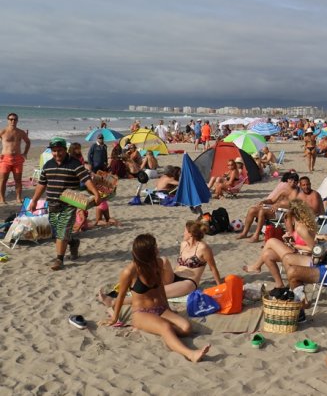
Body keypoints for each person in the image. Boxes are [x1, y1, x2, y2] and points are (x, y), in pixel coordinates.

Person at [102, 234, 210, 362]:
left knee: (186, 328)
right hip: (141, 313)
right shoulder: (130, 272)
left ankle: (167, 337)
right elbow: (120, 297)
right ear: (146, 253)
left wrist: (168, 308)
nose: (158, 250)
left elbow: (160, 289)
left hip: (161, 309)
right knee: (165, 326)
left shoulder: (157, 263)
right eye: (154, 248)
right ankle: (190, 354)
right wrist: (114, 318)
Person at [101, 221, 221, 306]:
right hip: (173, 276)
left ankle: (114, 302)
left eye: (184, 231)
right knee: (163, 260)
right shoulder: (183, 244)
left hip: (188, 282)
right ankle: (129, 287)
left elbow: (213, 268)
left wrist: (219, 286)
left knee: (153, 293)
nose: (183, 233)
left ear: (190, 233)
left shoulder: (204, 248)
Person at [29, 137, 101, 271]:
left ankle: (59, 259)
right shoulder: (48, 165)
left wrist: (96, 194)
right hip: (52, 204)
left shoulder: (75, 164)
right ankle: (73, 241)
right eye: (54, 151)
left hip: (68, 204)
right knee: (57, 233)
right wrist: (34, 200)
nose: (57, 153)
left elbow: (86, 180)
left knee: (62, 231)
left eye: (59, 150)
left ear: (65, 150)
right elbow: (41, 184)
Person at [242, 199, 318, 288]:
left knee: (271, 241)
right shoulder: (299, 223)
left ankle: (256, 266)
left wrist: (296, 245)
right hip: (297, 251)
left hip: (302, 257)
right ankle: (279, 284)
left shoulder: (302, 228)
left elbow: (314, 249)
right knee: (267, 255)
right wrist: (290, 239)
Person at [236, 171, 300, 241]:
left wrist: (279, 205)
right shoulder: (284, 190)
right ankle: (244, 233)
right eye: (291, 179)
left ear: (297, 182)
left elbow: (293, 204)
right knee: (252, 210)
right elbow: (272, 200)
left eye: (295, 181)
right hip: (275, 209)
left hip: (283, 213)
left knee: (262, 211)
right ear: (287, 180)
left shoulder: (295, 192)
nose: (292, 182)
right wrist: (264, 201)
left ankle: (256, 235)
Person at [0, 112, 31, 204]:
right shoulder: (3, 131)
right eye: (11, 119)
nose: (13, 121)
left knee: (18, 180)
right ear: (8, 120)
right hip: (5, 159)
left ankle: (18, 198)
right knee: (3, 180)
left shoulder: (21, 132)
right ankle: (2, 198)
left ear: (17, 120)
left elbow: (28, 142)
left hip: (17, 159)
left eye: (15, 119)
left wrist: (25, 153)